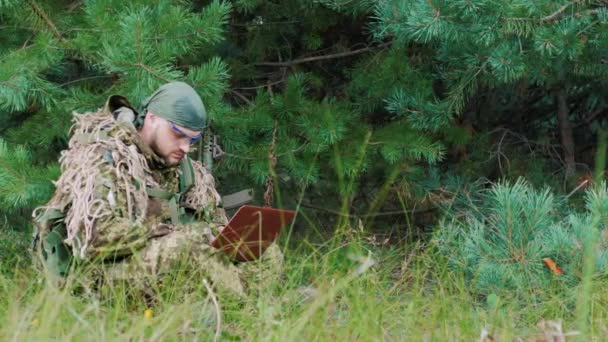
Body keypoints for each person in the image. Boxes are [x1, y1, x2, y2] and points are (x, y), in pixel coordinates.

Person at [33, 82, 282, 297]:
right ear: (152, 118)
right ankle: (239, 314)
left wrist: (220, 234)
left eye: (193, 140)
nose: (185, 147)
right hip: (102, 278)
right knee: (186, 249)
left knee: (265, 250)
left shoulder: (189, 173)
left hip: (169, 268)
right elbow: (93, 238)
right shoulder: (107, 159)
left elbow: (211, 228)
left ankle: (259, 309)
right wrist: (176, 234)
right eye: (178, 134)